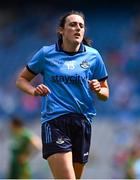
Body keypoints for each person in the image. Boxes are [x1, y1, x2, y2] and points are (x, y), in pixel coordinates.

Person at [16, 10, 109, 179]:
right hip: (55, 122)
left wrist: (98, 89)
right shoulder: (46, 54)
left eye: (81, 26)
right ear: (61, 30)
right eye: (72, 24)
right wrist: (34, 91)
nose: (78, 28)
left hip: (82, 122)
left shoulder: (93, 55)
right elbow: (21, 80)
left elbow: (105, 93)